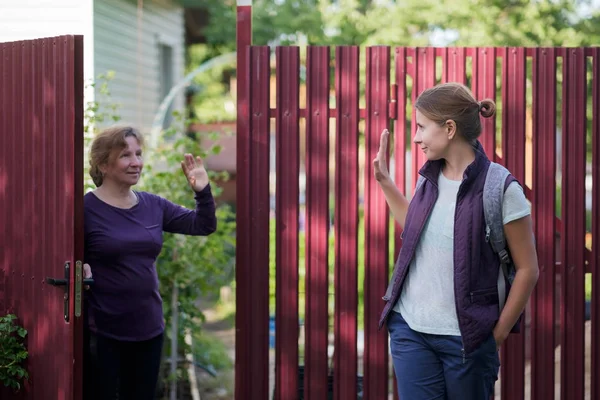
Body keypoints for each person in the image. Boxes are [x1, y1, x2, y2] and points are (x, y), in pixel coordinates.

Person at [374, 82, 539, 399]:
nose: (417, 137)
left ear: (449, 128)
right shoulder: (430, 178)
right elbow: (416, 231)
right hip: (411, 330)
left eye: (422, 127)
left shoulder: (501, 188)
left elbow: (528, 269)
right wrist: (385, 182)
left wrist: (496, 335)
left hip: (466, 340)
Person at [82, 125, 217, 400]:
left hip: (148, 328)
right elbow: (66, 255)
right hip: (104, 331)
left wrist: (202, 191)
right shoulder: (85, 209)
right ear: (103, 164)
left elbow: (202, 225)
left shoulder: (153, 205)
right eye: (125, 155)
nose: (136, 162)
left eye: (139, 154)